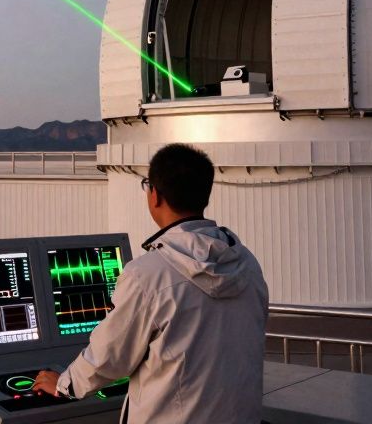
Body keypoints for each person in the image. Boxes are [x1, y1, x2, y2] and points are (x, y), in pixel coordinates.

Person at [32, 143, 269, 423]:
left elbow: (109, 357)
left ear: (155, 195)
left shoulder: (147, 275)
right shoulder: (247, 264)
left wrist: (64, 384)